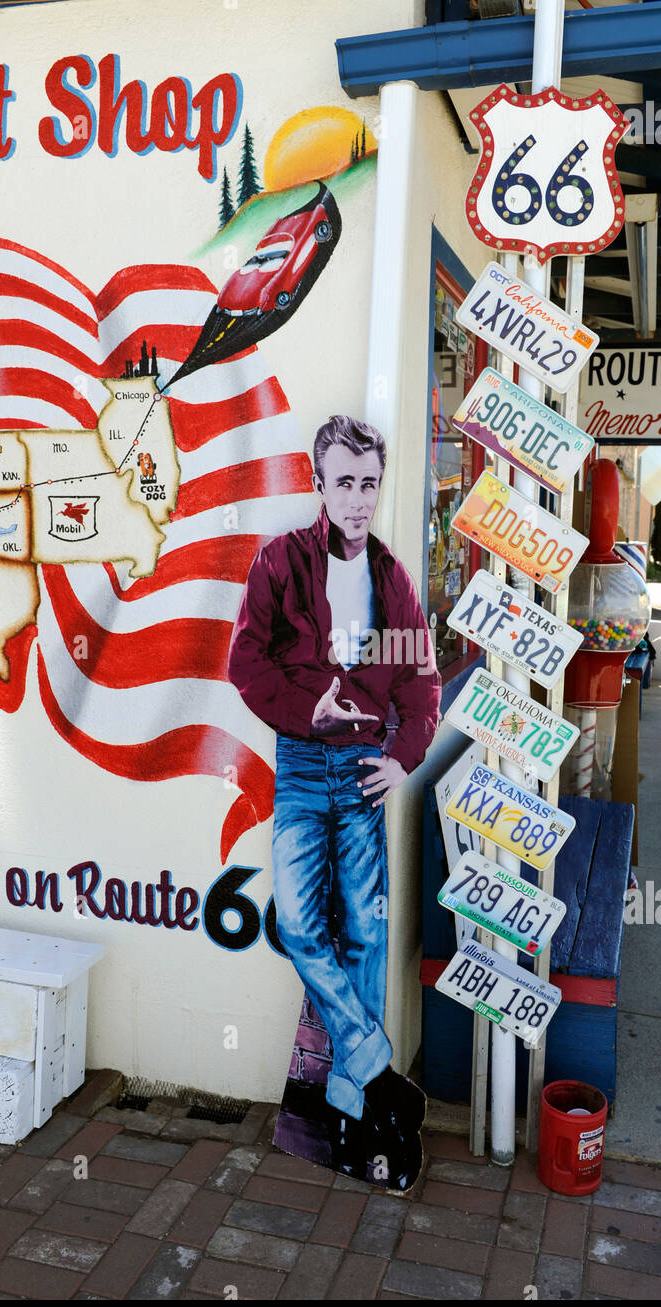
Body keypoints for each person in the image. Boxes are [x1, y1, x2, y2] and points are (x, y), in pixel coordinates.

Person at [227, 414, 441, 1187]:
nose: (358, 499)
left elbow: (421, 683)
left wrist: (401, 759)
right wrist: (307, 705)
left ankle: (355, 1107)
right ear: (319, 482)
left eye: (369, 484)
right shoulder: (281, 561)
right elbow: (244, 662)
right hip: (299, 762)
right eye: (344, 482)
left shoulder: (392, 580)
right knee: (297, 922)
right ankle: (379, 1069)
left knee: (363, 939)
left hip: (360, 772)